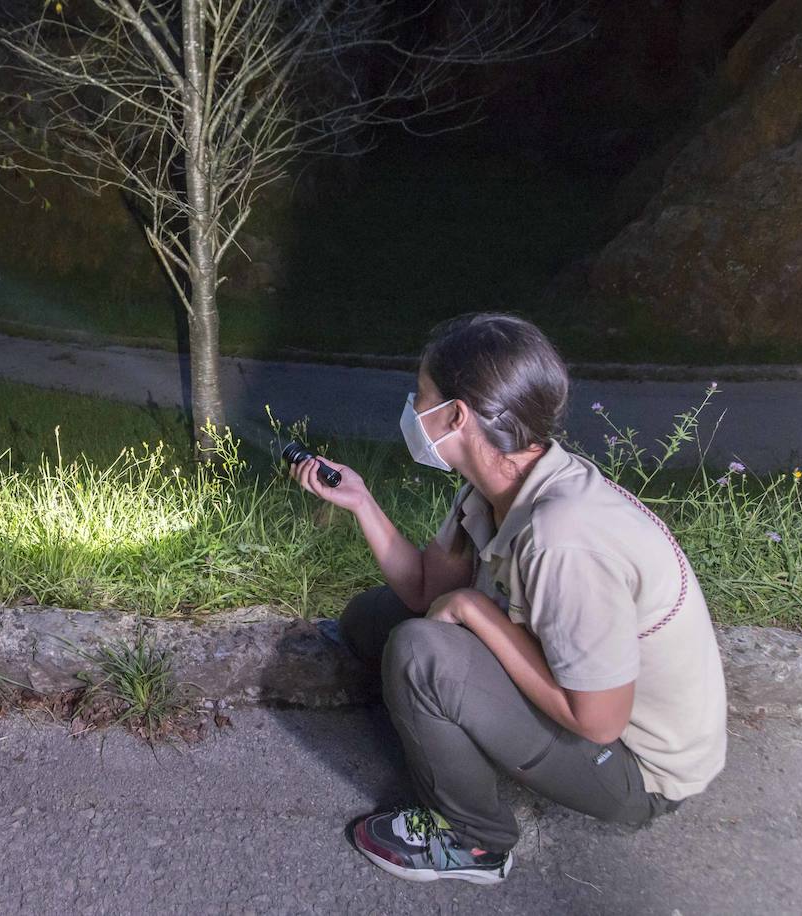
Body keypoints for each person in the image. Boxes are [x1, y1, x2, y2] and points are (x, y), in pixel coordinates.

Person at [290, 312, 726, 886]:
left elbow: (598, 722)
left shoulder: (564, 538)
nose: (412, 411)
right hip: (585, 702)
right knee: (373, 619)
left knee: (421, 653)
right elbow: (427, 592)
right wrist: (363, 503)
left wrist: (475, 612)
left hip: (636, 766)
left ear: (455, 415)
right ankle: (437, 711)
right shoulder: (496, 487)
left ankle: (476, 844)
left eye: (421, 397)